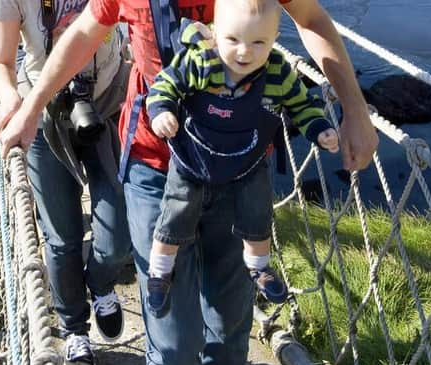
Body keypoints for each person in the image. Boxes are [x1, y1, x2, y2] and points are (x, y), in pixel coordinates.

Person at [0, 0, 379, 365]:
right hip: (155, 164)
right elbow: (87, 30)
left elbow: (311, 17)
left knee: (230, 324)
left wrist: (355, 109)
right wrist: (30, 107)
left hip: (239, 164)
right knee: (172, 329)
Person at [144, 0, 339, 317]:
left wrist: (319, 128)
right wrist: (161, 111)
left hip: (247, 159)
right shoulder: (200, 61)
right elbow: (165, 84)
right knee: (176, 211)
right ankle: (159, 271)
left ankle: (259, 267)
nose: (244, 52)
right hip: (194, 157)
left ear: (275, 39)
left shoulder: (277, 72)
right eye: (233, 40)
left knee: (257, 208)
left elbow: (301, 105)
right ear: (215, 32)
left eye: (258, 42)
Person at [0, 0, 132, 365]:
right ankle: (74, 330)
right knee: (61, 237)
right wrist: (12, 100)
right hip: (41, 111)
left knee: (119, 233)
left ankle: (100, 284)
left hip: (109, 102)